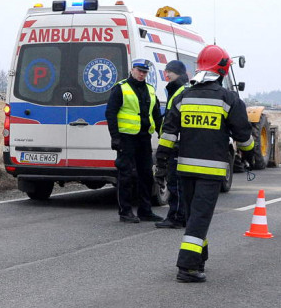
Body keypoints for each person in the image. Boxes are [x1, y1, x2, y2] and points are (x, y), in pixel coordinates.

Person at [155, 45, 255, 283]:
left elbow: (168, 134)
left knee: (193, 217)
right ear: (222, 69)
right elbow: (243, 136)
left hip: (185, 169)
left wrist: (160, 163)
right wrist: (250, 157)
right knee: (199, 218)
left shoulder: (183, 96)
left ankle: (200, 258)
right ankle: (187, 267)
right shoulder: (229, 99)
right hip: (211, 172)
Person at [105, 59, 164, 223]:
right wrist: (115, 137)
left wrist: (162, 133)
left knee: (146, 174)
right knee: (126, 175)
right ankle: (125, 211)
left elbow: (157, 115)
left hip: (144, 137)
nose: (142, 74)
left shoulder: (151, 90)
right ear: (132, 69)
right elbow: (111, 113)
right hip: (126, 138)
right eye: (139, 71)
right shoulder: (121, 88)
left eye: (145, 72)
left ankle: (145, 211)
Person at [155, 59, 189, 229]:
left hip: (176, 144)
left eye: (169, 71)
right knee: (180, 183)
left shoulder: (179, 91)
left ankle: (176, 217)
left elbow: (172, 122)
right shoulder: (180, 89)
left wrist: (163, 151)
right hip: (181, 143)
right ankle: (181, 215)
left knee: (175, 182)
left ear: (178, 73)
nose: (166, 74)